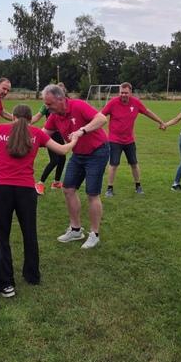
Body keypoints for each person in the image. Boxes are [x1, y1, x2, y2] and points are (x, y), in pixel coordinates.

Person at [0, 104, 78, 297]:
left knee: (2, 236)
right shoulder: (37, 133)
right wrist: (75, 139)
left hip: (1, 190)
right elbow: (63, 150)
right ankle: (32, 275)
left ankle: (5, 284)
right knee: (29, 233)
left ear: (12, 117)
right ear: (30, 119)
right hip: (26, 191)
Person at [42, 84, 109, 249]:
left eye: (49, 104)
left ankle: (94, 234)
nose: (47, 107)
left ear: (60, 99)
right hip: (78, 154)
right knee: (68, 189)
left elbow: (102, 119)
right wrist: (23, 140)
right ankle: (76, 229)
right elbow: (43, 134)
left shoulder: (78, 105)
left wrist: (82, 130)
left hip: (97, 151)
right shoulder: (54, 116)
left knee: (92, 193)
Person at [101, 82, 165, 196]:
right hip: (114, 140)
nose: (123, 95)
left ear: (130, 92)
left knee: (134, 163)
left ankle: (138, 186)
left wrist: (160, 121)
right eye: (121, 92)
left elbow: (147, 112)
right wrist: (90, 126)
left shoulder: (136, 103)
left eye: (126, 93)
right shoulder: (113, 103)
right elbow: (100, 115)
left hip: (129, 140)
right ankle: (109, 188)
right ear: (119, 92)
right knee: (113, 164)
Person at [32, 82, 67, 195]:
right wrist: (25, 123)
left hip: (59, 134)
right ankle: (40, 183)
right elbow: (37, 116)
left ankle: (56, 182)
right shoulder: (46, 106)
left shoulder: (66, 104)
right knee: (55, 160)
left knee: (62, 158)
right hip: (50, 134)